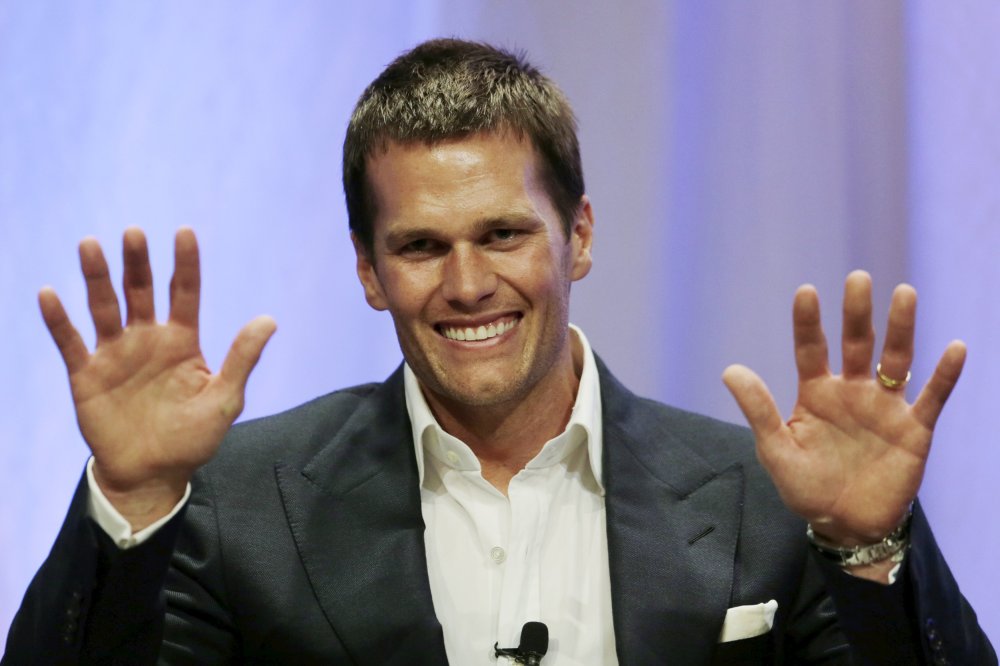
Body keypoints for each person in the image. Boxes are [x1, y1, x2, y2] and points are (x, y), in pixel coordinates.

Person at [3, 38, 995, 665]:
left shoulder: (769, 501)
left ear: (580, 237)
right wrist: (133, 499)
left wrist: (867, 551)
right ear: (368, 270)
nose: (468, 283)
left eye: (504, 234)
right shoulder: (235, 507)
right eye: (420, 247)